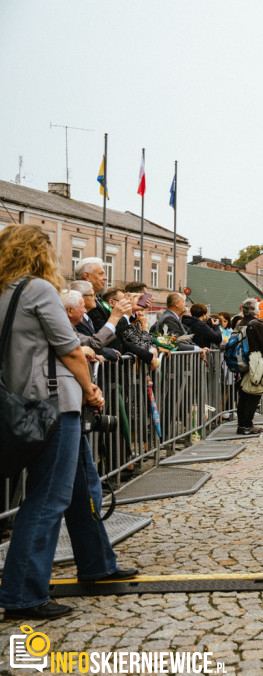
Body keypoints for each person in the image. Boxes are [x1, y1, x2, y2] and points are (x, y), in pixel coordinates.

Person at [0, 224, 137, 621]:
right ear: (39, 253)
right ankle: (23, 593)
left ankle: (98, 564)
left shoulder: (4, 291)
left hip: (25, 401)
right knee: (48, 498)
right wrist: (92, 390)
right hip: (56, 403)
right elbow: (71, 349)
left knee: (82, 489)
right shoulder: (38, 289)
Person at [234, 299, 263, 435]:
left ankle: (241, 424)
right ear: (256, 311)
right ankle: (247, 424)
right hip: (256, 362)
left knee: (244, 394)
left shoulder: (240, 323)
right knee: (254, 393)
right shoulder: (257, 325)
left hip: (241, 362)